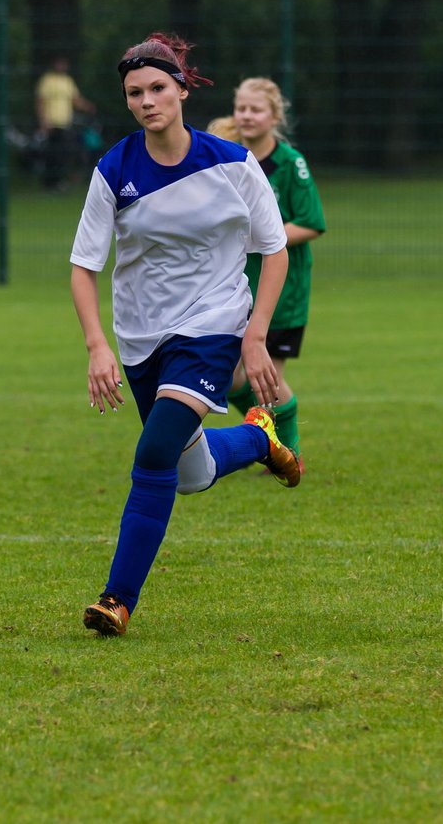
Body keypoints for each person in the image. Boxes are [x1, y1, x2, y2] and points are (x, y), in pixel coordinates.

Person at [70, 33, 301, 637]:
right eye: (134, 93)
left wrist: (253, 338)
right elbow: (84, 266)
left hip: (213, 325)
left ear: (181, 90)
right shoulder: (114, 169)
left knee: (152, 454)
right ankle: (258, 438)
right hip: (142, 337)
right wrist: (98, 345)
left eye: (157, 89)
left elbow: (274, 251)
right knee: (191, 472)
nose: (147, 101)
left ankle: (116, 600)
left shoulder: (230, 162)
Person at [218, 78, 326, 471]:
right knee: (229, 376)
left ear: (274, 116)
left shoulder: (290, 163)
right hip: (237, 287)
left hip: (284, 290)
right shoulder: (228, 159)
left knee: (266, 380)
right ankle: (263, 438)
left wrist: (263, 238)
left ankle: (286, 447)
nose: (246, 116)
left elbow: (312, 222)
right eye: (241, 108)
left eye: (256, 109)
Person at [36, 56, 95, 190]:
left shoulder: (68, 81)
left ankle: (58, 181)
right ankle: (50, 182)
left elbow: (75, 99)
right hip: (52, 124)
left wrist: (88, 107)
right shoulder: (47, 80)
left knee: (63, 154)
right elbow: (40, 101)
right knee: (52, 154)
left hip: (65, 123)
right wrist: (43, 121)